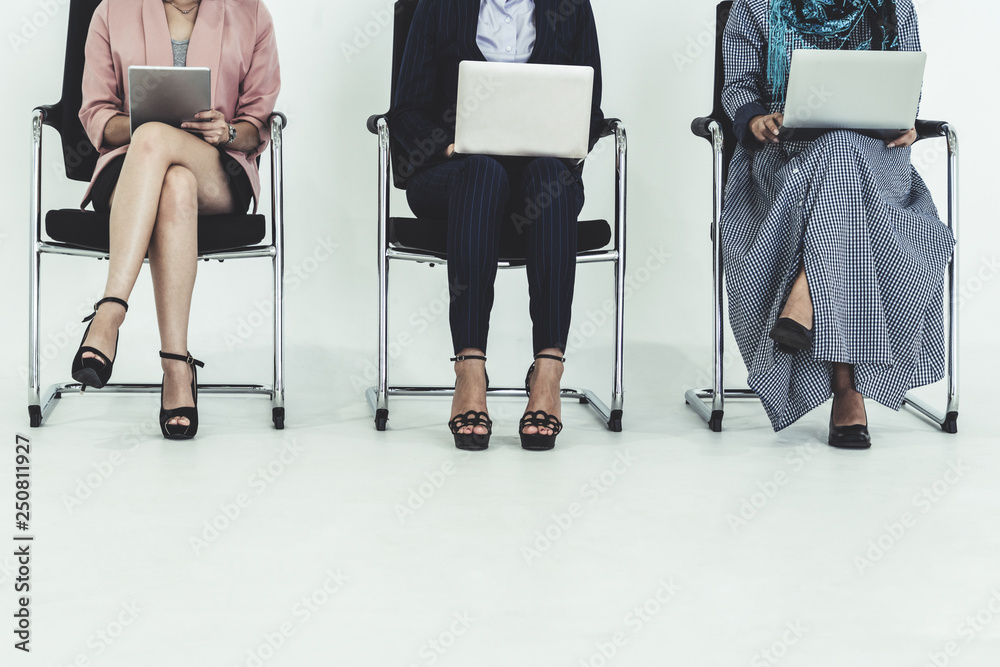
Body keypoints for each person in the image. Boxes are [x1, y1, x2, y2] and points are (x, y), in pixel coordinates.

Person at [721, 0, 955, 448]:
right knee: (837, 152)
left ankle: (806, 297)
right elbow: (737, 86)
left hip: (876, 160)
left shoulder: (894, 6)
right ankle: (848, 389)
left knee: (844, 147)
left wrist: (906, 119)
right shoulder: (754, 6)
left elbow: (907, 86)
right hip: (786, 156)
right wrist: (754, 119)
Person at [389, 0, 605, 452]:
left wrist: (558, 142)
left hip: (538, 177)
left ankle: (548, 370)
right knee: (483, 172)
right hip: (452, 173)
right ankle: (469, 368)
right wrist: (451, 147)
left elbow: (589, 107)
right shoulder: (437, 7)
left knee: (550, 178)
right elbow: (405, 110)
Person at [73, 0, 280, 439]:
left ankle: (108, 314)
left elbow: (259, 120)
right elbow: (96, 114)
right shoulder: (112, 10)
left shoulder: (251, 12)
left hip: (218, 170)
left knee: (166, 153)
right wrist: (147, 128)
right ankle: (176, 367)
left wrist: (224, 131)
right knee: (174, 183)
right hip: (134, 172)